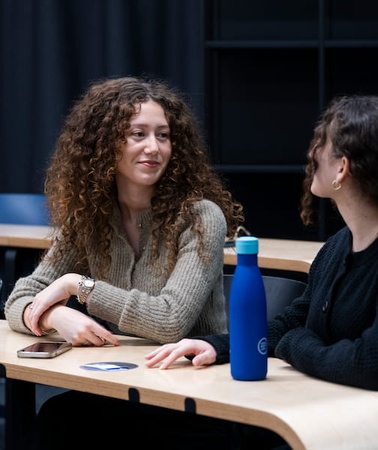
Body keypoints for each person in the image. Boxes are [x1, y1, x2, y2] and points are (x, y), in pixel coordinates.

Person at [143, 94, 378, 447]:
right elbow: (292, 322)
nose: (311, 155)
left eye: (320, 144)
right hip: (335, 410)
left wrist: (295, 346)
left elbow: (371, 363)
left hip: (373, 428)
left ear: (341, 168)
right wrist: (217, 346)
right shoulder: (338, 246)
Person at [3, 75, 245, 449]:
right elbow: (19, 299)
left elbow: (169, 322)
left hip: (191, 403)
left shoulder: (200, 217)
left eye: (163, 135)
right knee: (56, 421)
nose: (154, 147)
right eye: (138, 134)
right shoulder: (91, 217)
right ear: (105, 144)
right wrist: (54, 316)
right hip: (121, 391)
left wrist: (75, 287)